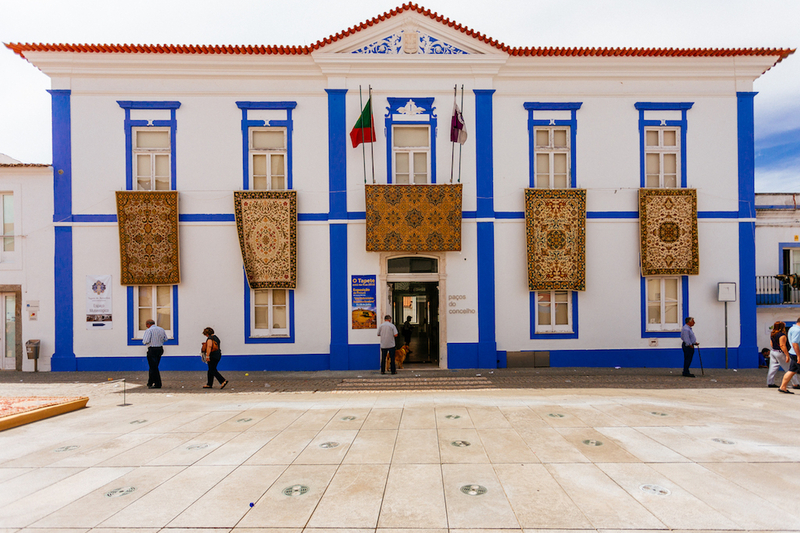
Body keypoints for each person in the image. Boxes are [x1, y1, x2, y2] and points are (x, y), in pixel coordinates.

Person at [767, 322, 800, 388]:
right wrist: (787, 355)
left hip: (773, 351)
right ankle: (795, 383)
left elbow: (771, 344)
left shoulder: (772, 334)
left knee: (772, 368)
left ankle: (770, 382)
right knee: (789, 368)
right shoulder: (782, 335)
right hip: (780, 352)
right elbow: (782, 345)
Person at [143, 319, 167, 389]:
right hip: (160, 349)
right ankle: (150, 382)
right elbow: (166, 339)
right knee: (154, 366)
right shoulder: (161, 329)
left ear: (148, 324)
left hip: (152, 349)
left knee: (153, 367)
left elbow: (146, 341)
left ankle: (157, 383)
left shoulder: (149, 330)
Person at [779, 317, 800, 394]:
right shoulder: (798, 330)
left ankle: (783, 387)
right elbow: (795, 343)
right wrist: (799, 356)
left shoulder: (792, 328)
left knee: (792, 371)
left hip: (793, 352)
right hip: (797, 353)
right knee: (792, 371)